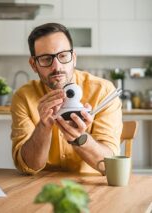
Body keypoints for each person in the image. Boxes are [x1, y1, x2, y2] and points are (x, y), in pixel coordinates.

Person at [11, 23, 122, 175]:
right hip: (42, 188)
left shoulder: (103, 91)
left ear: (74, 58)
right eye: (45, 59)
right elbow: (28, 166)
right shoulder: (23, 97)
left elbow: (110, 165)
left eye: (63, 56)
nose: (56, 67)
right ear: (33, 65)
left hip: (92, 188)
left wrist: (80, 139)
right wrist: (43, 127)